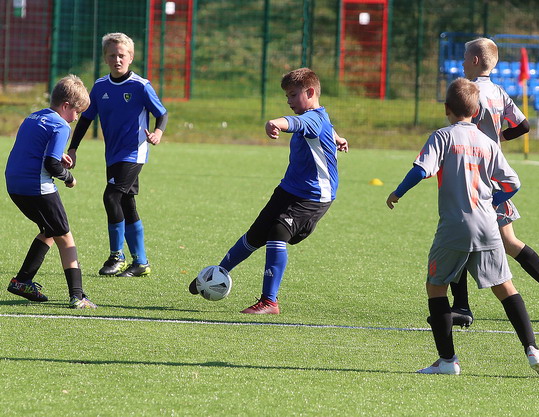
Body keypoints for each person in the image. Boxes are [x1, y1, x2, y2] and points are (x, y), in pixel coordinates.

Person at [386, 78, 539, 376]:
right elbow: (513, 183)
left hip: (455, 226)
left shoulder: (442, 136)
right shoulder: (488, 142)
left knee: (436, 286)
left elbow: (421, 170)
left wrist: (397, 192)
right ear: (476, 112)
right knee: (505, 287)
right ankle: (533, 350)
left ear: (446, 109)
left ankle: (447, 361)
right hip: (488, 225)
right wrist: (491, 201)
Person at [189, 67, 348, 314]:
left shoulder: (312, 119)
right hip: (289, 189)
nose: (289, 101)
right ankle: (215, 275)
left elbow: (296, 123)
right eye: (287, 96)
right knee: (255, 235)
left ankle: (269, 302)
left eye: (293, 95)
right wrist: (336, 137)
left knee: (278, 231)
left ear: (310, 92)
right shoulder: (318, 117)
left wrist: (274, 123)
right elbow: (321, 125)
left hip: (313, 196)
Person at [448, 37, 539, 332]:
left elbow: (462, 130)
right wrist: (500, 138)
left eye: (466, 57)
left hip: (478, 176)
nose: (463, 62)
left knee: (460, 230)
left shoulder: (470, 91)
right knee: (508, 242)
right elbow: (523, 125)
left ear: (475, 61)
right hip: (494, 174)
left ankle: (462, 306)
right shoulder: (498, 92)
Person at [67, 32, 168, 278]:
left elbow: (162, 113)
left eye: (122, 55)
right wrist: (73, 148)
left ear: (131, 57)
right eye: (112, 55)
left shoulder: (141, 86)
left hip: (134, 152)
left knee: (111, 197)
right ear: (105, 58)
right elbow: (85, 120)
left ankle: (117, 256)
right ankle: (141, 262)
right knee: (126, 203)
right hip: (112, 155)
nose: (117, 60)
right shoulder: (100, 86)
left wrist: (157, 133)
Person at [5, 75, 97, 309]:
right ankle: (78, 296)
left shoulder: (33, 117)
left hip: (14, 185)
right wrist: (69, 178)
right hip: (37, 186)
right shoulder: (61, 125)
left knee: (49, 230)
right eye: (77, 112)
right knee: (65, 237)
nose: (76, 118)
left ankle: (22, 281)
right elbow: (51, 165)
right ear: (66, 106)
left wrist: (57, 155)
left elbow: (34, 149)